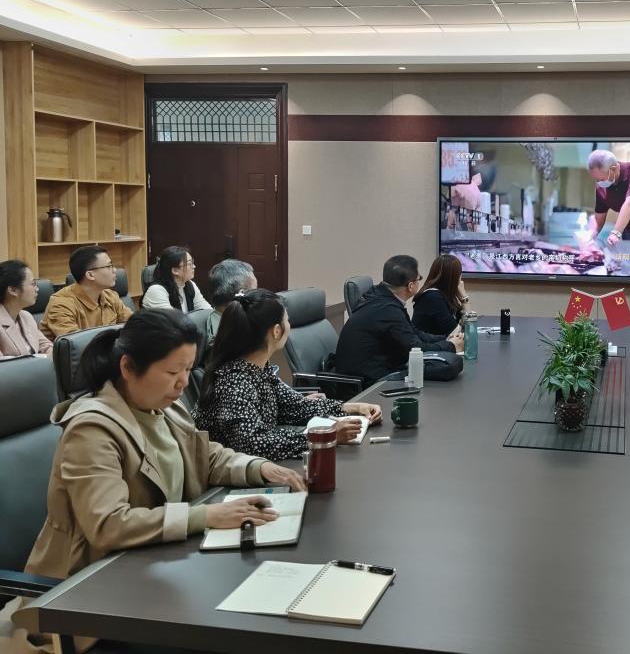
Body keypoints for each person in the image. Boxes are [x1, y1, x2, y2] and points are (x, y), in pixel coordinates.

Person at [2, 309, 304, 652]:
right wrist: (206, 515)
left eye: (188, 369)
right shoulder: (92, 429)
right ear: (128, 367)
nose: (183, 382)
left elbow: (205, 457)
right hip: (88, 594)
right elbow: (109, 524)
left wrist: (259, 468)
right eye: (173, 372)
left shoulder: (166, 407)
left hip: (153, 565)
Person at [195, 289, 380, 460]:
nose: (289, 326)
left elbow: (294, 407)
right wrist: (324, 436)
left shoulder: (259, 368)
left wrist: (349, 408)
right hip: (229, 475)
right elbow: (252, 445)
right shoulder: (234, 380)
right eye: (287, 321)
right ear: (276, 331)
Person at [335, 255, 463, 386]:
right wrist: (451, 346)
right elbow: (416, 350)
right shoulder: (387, 310)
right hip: (370, 384)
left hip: (373, 371)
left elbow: (414, 332)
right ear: (411, 286)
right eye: (419, 278)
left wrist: (447, 339)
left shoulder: (379, 296)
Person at [40, 245, 133, 339]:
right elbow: (76, 343)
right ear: (90, 275)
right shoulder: (61, 305)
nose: (115, 270)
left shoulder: (110, 296)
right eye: (109, 266)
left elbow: (134, 326)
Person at [0, 260, 52, 358]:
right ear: (13, 290)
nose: (37, 289)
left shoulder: (27, 316)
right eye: (33, 284)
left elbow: (47, 346)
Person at [412, 254, 470, 337]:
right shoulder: (433, 297)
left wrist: (464, 299)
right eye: (459, 273)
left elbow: (467, 325)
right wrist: (464, 296)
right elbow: (455, 333)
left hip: (441, 343)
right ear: (453, 276)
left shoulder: (444, 294)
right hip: (429, 345)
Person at [142, 246, 212, 314]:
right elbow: (173, 320)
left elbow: (207, 311)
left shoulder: (190, 285)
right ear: (175, 270)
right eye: (190, 264)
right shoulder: (156, 291)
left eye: (192, 263)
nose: (194, 266)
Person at [205, 258, 258, 346]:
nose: (257, 294)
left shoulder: (221, 319)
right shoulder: (226, 337)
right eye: (255, 290)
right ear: (242, 294)